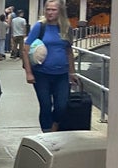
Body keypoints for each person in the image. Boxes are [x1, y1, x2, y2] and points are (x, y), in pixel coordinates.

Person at [22, 0, 77, 133]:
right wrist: (28, 73)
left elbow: (68, 51)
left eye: (53, 10)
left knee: (61, 105)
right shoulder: (39, 27)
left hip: (62, 74)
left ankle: (55, 126)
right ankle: (47, 133)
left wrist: (72, 73)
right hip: (42, 74)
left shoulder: (66, 28)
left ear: (60, 11)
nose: (50, 12)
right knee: (46, 105)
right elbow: (25, 49)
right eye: (48, 9)